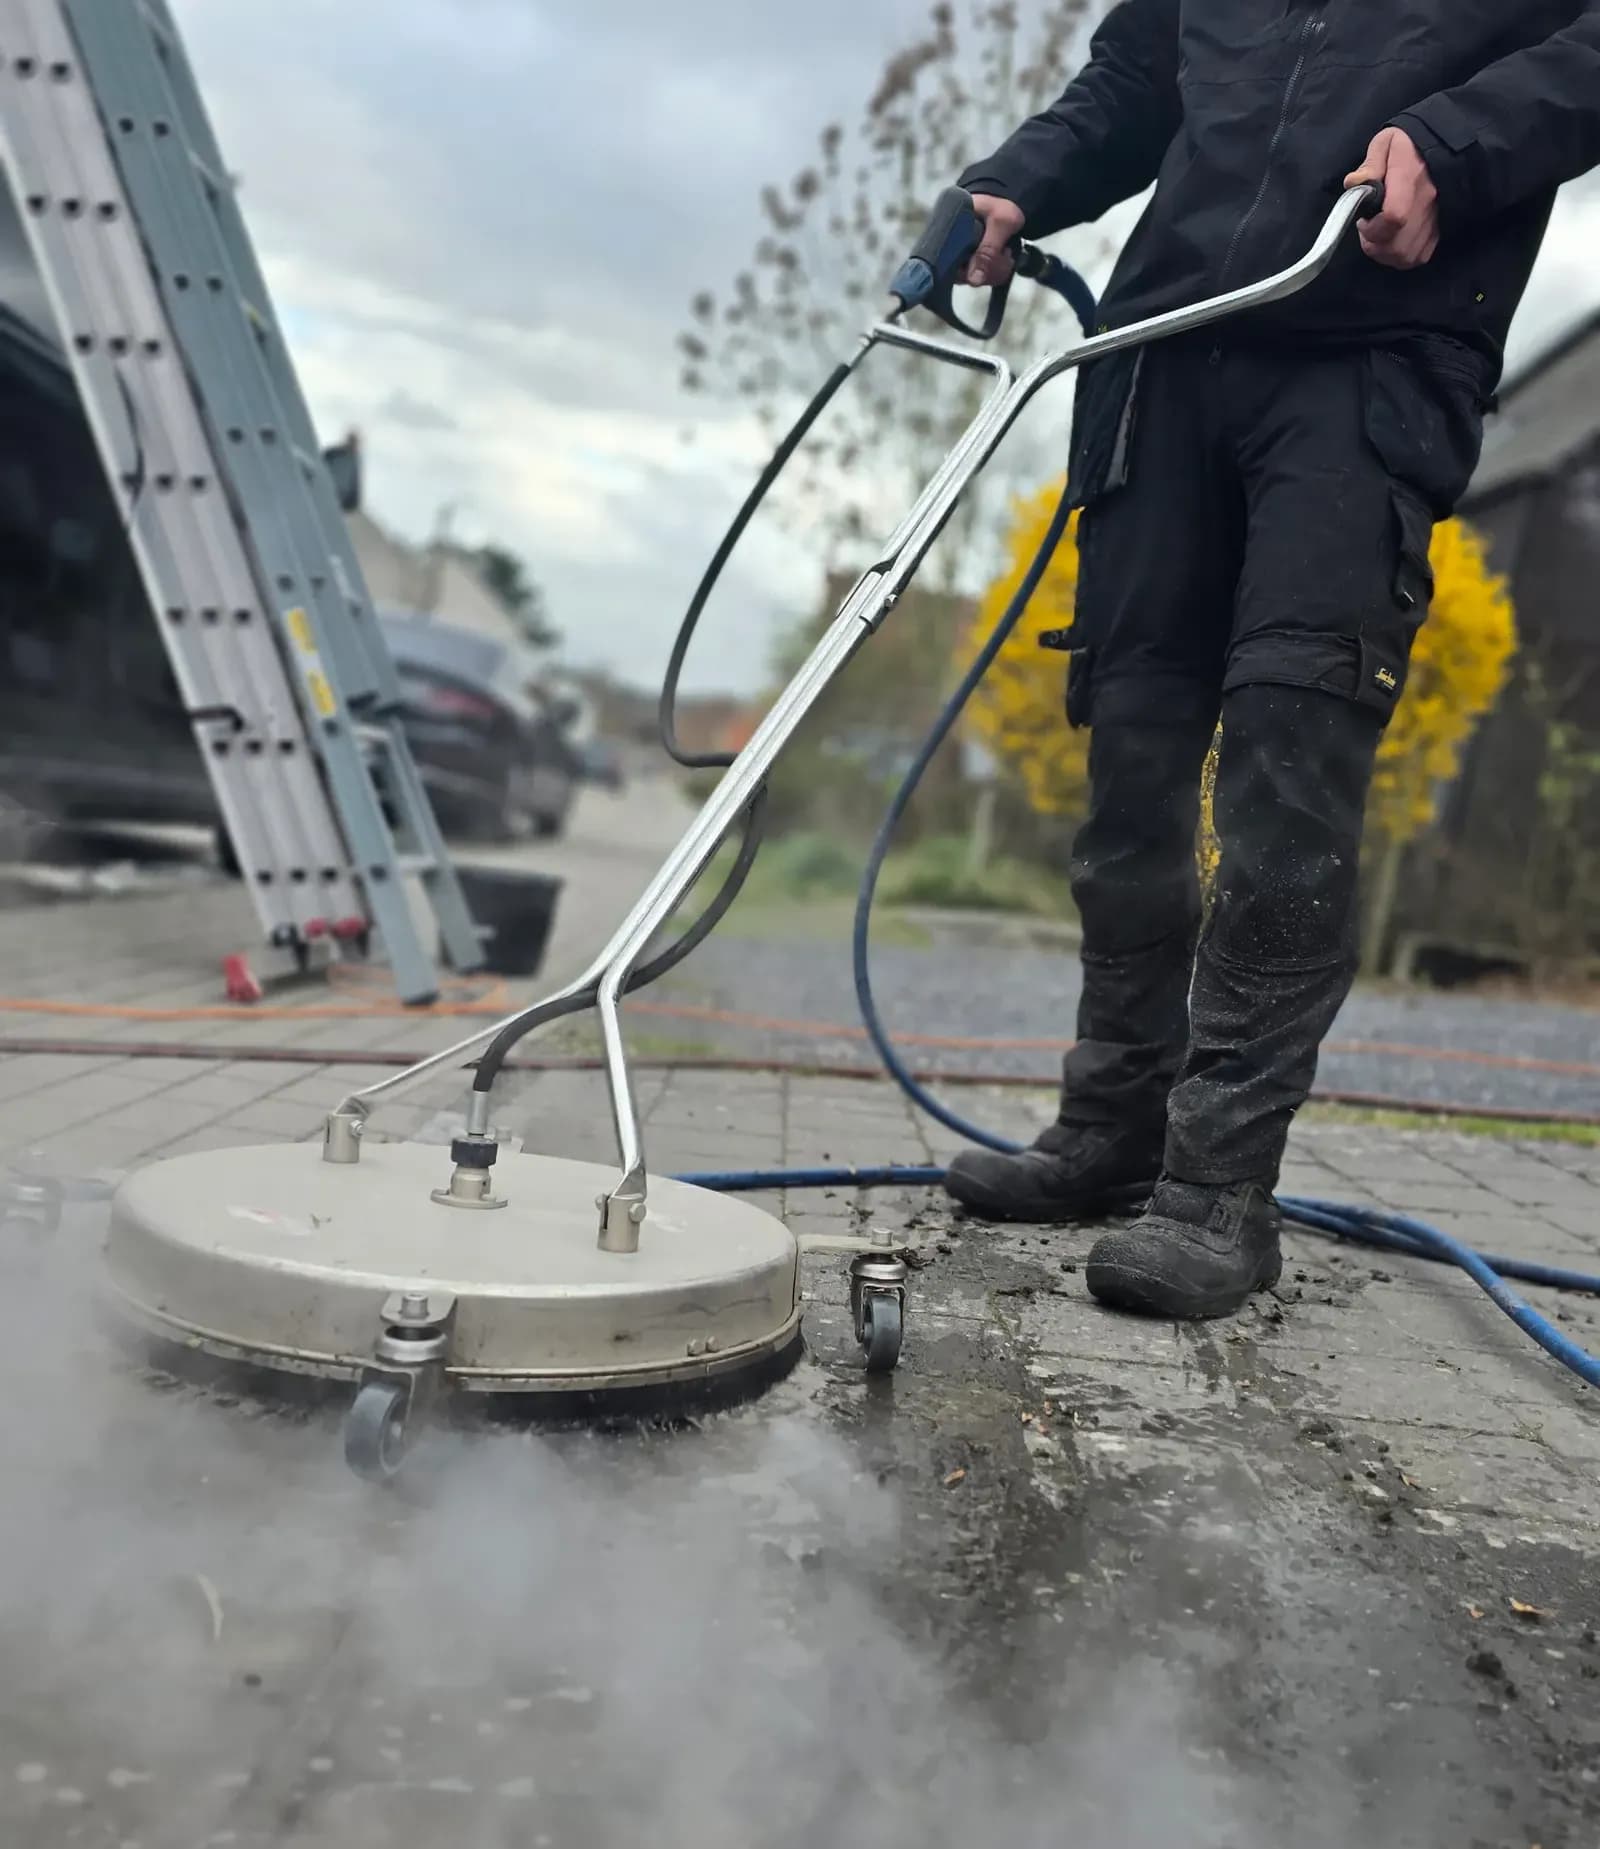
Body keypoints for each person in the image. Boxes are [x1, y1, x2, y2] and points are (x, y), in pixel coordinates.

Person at [941, 2, 1600, 1320]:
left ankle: (1217, 1193)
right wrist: (1015, 180)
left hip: (1369, 354)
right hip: (1164, 349)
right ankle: (1113, 1122)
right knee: (1130, 757)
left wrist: (1452, 143)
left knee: (1286, 775)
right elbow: (1139, 74)